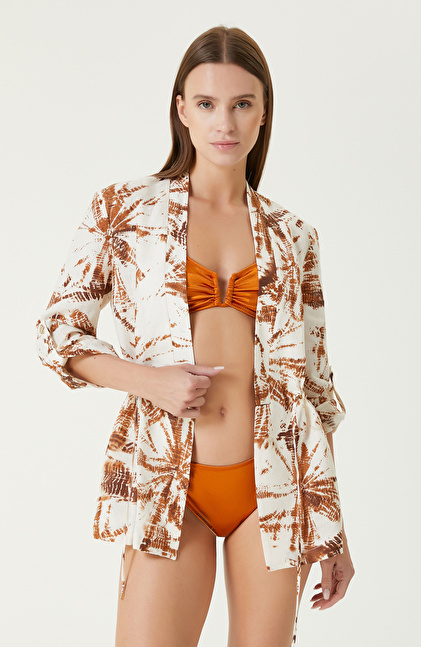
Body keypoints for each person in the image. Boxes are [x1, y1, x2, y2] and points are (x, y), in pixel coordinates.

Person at [36, 25, 354, 647]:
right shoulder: (125, 211)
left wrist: (333, 529)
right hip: (168, 481)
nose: (224, 123)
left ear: (264, 113)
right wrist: (148, 381)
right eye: (207, 103)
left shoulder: (295, 236)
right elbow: (56, 330)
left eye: (242, 104)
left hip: (274, 489)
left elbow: (316, 393)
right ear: (181, 110)